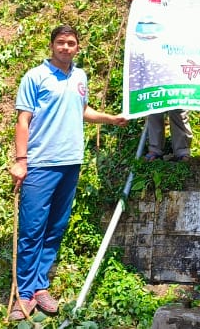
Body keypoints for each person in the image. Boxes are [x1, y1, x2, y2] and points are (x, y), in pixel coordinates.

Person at [9, 25, 127, 321]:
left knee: (55, 228)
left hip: (70, 163)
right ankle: (23, 294)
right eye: (60, 42)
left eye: (71, 43)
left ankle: (40, 287)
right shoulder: (35, 77)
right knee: (32, 229)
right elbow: (23, 121)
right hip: (40, 164)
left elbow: (82, 110)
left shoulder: (80, 76)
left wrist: (110, 119)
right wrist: (20, 160)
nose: (65, 47)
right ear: (51, 46)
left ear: (77, 47)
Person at [124, 0, 200, 162]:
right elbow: (148, 1)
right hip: (155, 41)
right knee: (154, 95)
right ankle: (155, 149)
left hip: (182, 41)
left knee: (177, 95)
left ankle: (182, 150)